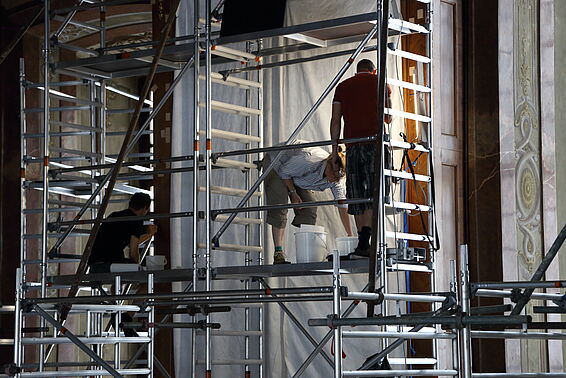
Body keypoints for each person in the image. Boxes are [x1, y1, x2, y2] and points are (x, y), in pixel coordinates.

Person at [330, 59, 392, 258]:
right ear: (373, 70)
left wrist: (334, 150)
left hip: (353, 146)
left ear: (356, 71)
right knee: (375, 192)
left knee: (357, 195)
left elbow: (335, 119)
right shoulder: (381, 83)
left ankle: (362, 243)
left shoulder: (343, 87)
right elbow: (388, 117)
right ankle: (366, 242)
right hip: (376, 144)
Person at [264, 142, 353, 264]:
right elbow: (284, 172)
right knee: (280, 205)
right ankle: (278, 252)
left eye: (339, 177)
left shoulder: (337, 176)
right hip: (277, 164)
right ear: (328, 165)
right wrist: (293, 193)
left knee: (309, 208)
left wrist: (350, 234)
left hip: (297, 174)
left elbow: (342, 204)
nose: (336, 180)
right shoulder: (309, 160)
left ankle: (305, 250)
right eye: (334, 175)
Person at [88, 192, 158, 272]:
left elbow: (130, 243)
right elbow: (133, 251)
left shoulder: (114, 215)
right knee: (135, 268)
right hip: (110, 263)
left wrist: (148, 235)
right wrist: (137, 269)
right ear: (145, 208)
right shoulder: (136, 220)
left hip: (94, 263)